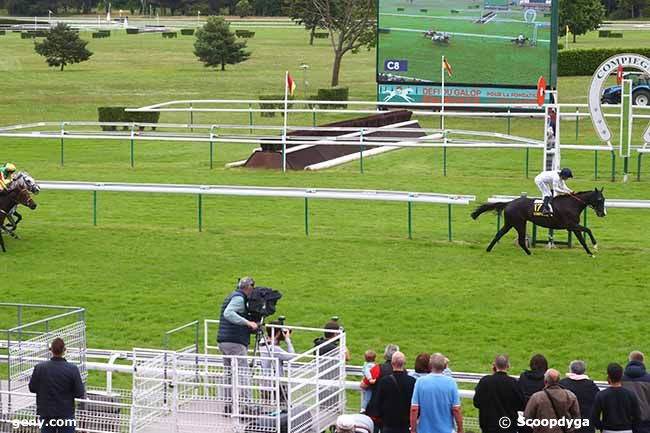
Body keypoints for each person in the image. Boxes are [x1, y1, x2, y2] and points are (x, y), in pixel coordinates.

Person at [217, 276, 258, 410]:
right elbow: (228, 313)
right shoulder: (239, 299)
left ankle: (228, 405)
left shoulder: (233, 296)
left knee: (229, 373)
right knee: (243, 373)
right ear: (249, 287)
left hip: (224, 341)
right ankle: (248, 405)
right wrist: (248, 323)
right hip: (235, 342)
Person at [28, 338, 85, 433]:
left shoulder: (40, 368)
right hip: (66, 413)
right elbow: (79, 392)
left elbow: (32, 388)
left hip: (46, 413)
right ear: (64, 350)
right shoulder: (72, 369)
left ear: (51, 350)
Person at [410, 353, 463, 433]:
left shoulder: (420, 382)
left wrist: (413, 430)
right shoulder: (451, 382)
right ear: (444, 366)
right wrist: (460, 428)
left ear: (430, 365)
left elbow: (414, 409)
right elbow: (456, 409)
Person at [473, 354, 525, 433]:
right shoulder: (514, 383)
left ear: (494, 365)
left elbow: (476, 403)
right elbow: (522, 405)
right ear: (508, 366)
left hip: (488, 427)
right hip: (508, 426)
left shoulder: (485, 381)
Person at [524, 369, 581, 433]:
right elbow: (577, 418)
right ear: (559, 380)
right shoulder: (570, 396)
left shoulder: (537, 397)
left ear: (545, 381)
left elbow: (527, 417)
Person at [374, 352, 416, 433]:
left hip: (388, 424)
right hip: (405, 425)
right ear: (404, 363)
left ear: (392, 363)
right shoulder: (412, 381)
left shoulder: (384, 381)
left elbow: (378, 403)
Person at [593, 363, 641, 433]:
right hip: (627, 430)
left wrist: (601, 427)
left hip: (608, 430)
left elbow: (594, 417)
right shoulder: (630, 394)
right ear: (622, 376)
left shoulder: (601, 395)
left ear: (608, 376)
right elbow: (637, 416)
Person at [362, 344, 399, 431]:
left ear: (385, 355)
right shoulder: (402, 371)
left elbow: (363, 385)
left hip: (376, 411)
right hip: (394, 412)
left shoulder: (377, 368)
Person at [560, 360, 600, 433]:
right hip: (586, 424)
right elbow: (598, 403)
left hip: (567, 424)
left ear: (571, 370)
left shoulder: (562, 384)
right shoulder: (590, 385)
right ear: (584, 371)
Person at [260, 321, 295, 403]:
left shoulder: (262, 342)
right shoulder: (274, 349)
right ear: (279, 333)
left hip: (265, 382)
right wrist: (287, 340)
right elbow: (291, 356)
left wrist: (277, 339)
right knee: (283, 407)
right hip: (276, 383)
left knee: (267, 407)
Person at [622, 351, 650, 433]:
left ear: (630, 360)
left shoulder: (621, 379)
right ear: (642, 361)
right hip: (645, 422)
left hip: (625, 421)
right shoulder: (648, 379)